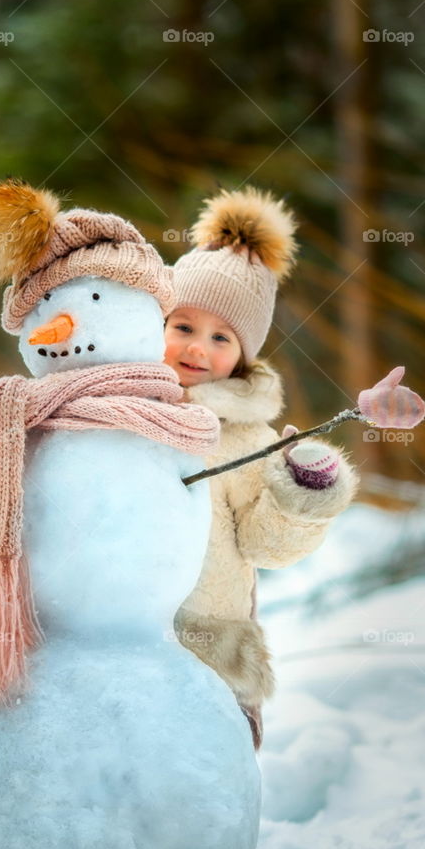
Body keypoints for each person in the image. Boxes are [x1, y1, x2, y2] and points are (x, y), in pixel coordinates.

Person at [164, 186, 360, 749]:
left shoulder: (245, 437)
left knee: (197, 778)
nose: (198, 347)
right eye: (183, 325)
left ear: (244, 355)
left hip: (207, 637)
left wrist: (300, 490)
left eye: (221, 337)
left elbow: (265, 546)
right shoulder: (113, 406)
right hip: (110, 628)